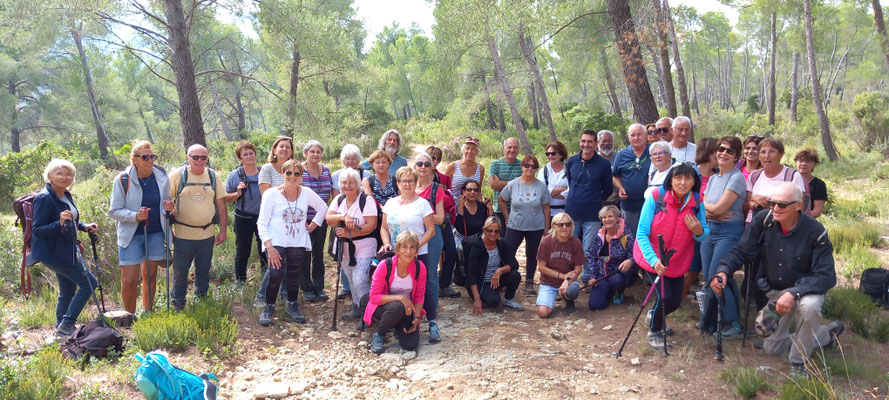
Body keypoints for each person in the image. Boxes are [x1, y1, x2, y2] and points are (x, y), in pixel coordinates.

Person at [711, 183, 843, 378]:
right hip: (775, 292)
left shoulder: (815, 231)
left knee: (810, 308)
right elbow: (742, 251)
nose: (774, 208)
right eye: (772, 203)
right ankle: (825, 334)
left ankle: (799, 362)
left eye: (782, 205)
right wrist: (723, 271)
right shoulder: (763, 221)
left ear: (798, 205)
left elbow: (826, 276)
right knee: (772, 349)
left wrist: (794, 293)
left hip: (805, 292)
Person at [634, 163, 709, 350]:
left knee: (675, 301)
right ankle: (655, 331)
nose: (682, 182)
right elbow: (642, 233)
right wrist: (653, 260)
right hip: (651, 257)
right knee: (665, 297)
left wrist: (698, 231)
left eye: (688, 178)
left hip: (677, 259)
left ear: (695, 181)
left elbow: (704, 233)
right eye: (678, 178)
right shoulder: (655, 197)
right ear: (671, 179)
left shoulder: (697, 203)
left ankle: (653, 315)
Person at [32, 159, 99, 337]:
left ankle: (60, 331)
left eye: (68, 174)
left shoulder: (65, 195)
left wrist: (83, 226)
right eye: (59, 173)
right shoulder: (44, 198)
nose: (64, 177)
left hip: (66, 251)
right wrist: (58, 222)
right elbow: (37, 230)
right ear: (50, 176)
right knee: (89, 284)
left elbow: (71, 219)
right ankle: (67, 324)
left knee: (68, 291)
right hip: (53, 253)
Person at [256, 160, 328, 326]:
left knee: (294, 275)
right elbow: (262, 222)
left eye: (297, 173)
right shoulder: (271, 194)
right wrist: (269, 246)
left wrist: (313, 225)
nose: (292, 177)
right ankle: (269, 307)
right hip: (276, 241)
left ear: (301, 176)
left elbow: (323, 207)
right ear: (283, 174)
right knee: (275, 274)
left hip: (297, 241)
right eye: (289, 173)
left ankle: (292, 305)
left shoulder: (306, 192)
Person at [744, 138, 808, 311]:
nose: (766, 156)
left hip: (780, 230)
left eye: (771, 151)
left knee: (771, 270)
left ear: (781, 155)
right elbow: (747, 203)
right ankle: (758, 311)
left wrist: (772, 202)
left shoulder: (791, 176)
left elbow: (801, 203)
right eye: (763, 152)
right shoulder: (754, 176)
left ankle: (775, 311)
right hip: (755, 228)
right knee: (754, 269)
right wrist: (754, 200)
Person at [109, 141, 171, 314]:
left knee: (150, 276)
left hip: (156, 233)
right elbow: (114, 210)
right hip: (131, 235)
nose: (150, 160)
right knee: (129, 280)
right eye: (145, 157)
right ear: (134, 159)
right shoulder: (123, 179)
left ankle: (147, 312)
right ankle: (129, 317)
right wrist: (135, 216)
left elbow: (165, 203)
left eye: (152, 156)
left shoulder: (161, 176)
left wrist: (168, 208)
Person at [163, 145, 227, 311]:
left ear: (207, 159)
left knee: (204, 269)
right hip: (183, 234)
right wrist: (167, 228)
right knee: (180, 271)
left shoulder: (213, 176)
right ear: (187, 157)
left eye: (203, 158)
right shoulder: (177, 176)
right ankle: (178, 303)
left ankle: (202, 299)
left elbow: (221, 205)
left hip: (207, 233)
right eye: (195, 157)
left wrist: (223, 230)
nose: (199, 161)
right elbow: (164, 203)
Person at [380, 167, 439, 342]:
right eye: (403, 181)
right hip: (396, 254)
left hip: (419, 253)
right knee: (395, 285)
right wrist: (386, 243)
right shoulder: (390, 203)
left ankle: (432, 322)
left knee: (424, 286)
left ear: (415, 183)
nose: (407, 184)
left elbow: (431, 230)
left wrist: (414, 248)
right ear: (397, 183)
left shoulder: (423, 204)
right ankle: (399, 320)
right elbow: (384, 228)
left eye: (411, 181)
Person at [699, 136, 747, 338]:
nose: (723, 153)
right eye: (721, 149)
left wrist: (711, 209)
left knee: (716, 276)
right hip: (711, 230)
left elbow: (717, 207)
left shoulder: (736, 178)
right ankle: (711, 320)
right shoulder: (713, 178)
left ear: (736, 156)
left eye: (729, 150)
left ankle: (733, 323)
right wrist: (712, 212)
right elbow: (704, 208)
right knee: (710, 276)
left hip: (729, 232)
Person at [326, 168, 377, 320]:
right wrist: (343, 216)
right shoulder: (339, 199)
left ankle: (368, 309)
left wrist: (351, 233)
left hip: (365, 245)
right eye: (343, 183)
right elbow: (329, 218)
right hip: (345, 248)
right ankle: (357, 306)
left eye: (351, 183)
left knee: (360, 279)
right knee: (350, 278)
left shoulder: (366, 200)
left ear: (358, 184)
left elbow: (371, 225)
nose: (347, 186)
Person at [365, 231, 427, 354]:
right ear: (397, 250)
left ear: (416, 251)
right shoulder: (385, 265)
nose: (408, 251)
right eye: (404, 247)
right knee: (397, 306)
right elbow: (373, 297)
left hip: (407, 311)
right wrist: (401, 298)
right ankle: (380, 335)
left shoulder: (420, 267)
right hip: (383, 307)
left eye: (412, 247)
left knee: (410, 345)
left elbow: (420, 296)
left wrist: (416, 318)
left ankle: (397, 328)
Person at [499, 155, 551, 294]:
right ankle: (505, 280)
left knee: (532, 254)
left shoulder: (540, 186)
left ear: (536, 169)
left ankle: (529, 281)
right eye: (527, 165)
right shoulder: (513, 184)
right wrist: (506, 216)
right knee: (508, 253)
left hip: (536, 226)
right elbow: (501, 199)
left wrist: (547, 226)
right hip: (515, 225)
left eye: (533, 166)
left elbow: (546, 207)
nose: (530, 168)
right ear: (522, 166)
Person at [413, 152, 447, 336]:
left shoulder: (436, 189)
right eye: (419, 163)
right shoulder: (408, 186)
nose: (423, 167)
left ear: (432, 167)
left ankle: (431, 315)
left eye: (427, 163)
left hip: (432, 236)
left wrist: (422, 213)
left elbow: (440, 218)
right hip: (411, 237)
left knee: (430, 275)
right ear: (415, 167)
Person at [223, 141, 266, 284]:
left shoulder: (264, 172)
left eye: (251, 153)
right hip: (243, 217)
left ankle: (267, 279)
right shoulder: (235, 175)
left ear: (255, 154)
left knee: (265, 249)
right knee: (243, 251)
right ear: (240, 158)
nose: (249, 156)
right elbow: (225, 198)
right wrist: (237, 193)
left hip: (263, 217)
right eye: (245, 154)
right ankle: (240, 282)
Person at [301, 140, 337, 302]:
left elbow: (330, 193)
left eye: (318, 152)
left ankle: (319, 287)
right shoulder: (299, 170)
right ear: (305, 153)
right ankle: (306, 288)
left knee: (318, 253)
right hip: (304, 220)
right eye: (312, 152)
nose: (315, 155)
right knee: (304, 254)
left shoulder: (326, 170)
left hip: (321, 218)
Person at [565, 130, 613, 253]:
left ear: (596, 143)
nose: (586, 144)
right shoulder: (571, 161)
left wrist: (597, 200)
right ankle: (571, 273)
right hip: (572, 211)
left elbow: (608, 189)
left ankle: (587, 273)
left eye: (590, 142)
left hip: (593, 214)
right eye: (583, 141)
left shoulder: (604, 164)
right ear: (580, 142)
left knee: (589, 250)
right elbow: (571, 182)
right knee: (570, 248)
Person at [464, 217, 524, 314]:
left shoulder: (502, 243)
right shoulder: (477, 245)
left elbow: (514, 264)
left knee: (515, 275)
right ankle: (483, 294)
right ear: (484, 230)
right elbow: (471, 273)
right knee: (493, 302)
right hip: (481, 281)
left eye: (496, 231)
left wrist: (499, 271)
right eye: (489, 231)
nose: (493, 234)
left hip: (496, 277)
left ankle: (509, 299)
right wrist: (477, 298)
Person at [585, 205, 635, 310]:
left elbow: (635, 253)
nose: (607, 219)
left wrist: (629, 260)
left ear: (617, 218)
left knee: (616, 281)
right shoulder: (599, 236)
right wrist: (592, 276)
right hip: (602, 275)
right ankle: (608, 292)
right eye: (604, 217)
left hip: (619, 274)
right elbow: (590, 255)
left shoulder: (626, 235)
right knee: (595, 306)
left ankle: (619, 291)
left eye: (610, 216)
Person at [426, 145, 460, 299]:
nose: (434, 161)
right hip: (425, 222)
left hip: (443, 219)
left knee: (451, 252)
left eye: (437, 159)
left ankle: (444, 284)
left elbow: (448, 198)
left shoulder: (444, 179)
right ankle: (431, 287)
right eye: (431, 157)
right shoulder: (416, 179)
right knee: (431, 255)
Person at [535, 212, 585, 317]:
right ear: (554, 226)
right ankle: (551, 298)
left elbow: (578, 269)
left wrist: (567, 280)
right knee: (542, 313)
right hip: (548, 282)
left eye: (568, 224)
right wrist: (562, 276)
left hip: (569, 282)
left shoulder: (576, 242)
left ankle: (568, 298)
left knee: (572, 291)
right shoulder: (546, 241)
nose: (564, 227)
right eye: (560, 224)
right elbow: (542, 267)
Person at [331, 144, 364, 299]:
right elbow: (338, 197)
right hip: (342, 216)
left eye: (354, 158)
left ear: (358, 160)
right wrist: (343, 216)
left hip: (361, 216)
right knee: (343, 251)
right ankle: (346, 286)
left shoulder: (366, 173)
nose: (351, 161)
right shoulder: (337, 175)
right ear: (343, 160)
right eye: (347, 158)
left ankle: (362, 291)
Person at [612, 123, 650, 234]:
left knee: (650, 238)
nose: (636, 138)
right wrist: (620, 188)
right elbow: (615, 176)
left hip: (651, 206)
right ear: (628, 137)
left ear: (646, 135)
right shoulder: (622, 154)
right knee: (630, 239)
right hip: (629, 207)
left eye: (639, 134)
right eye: (632, 135)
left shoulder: (654, 151)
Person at [488, 137, 522, 237]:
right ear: (503, 148)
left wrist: (501, 183)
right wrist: (516, 183)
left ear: (518, 149)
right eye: (509, 147)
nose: (512, 150)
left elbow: (525, 186)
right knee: (499, 240)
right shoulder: (495, 164)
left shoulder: (523, 165)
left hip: (518, 210)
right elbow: (493, 185)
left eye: (515, 147)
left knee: (513, 243)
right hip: (500, 210)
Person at [537, 141, 569, 223]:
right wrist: (562, 189)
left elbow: (572, 192)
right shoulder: (543, 172)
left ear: (561, 154)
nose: (550, 156)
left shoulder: (570, 170)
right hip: (547, 215)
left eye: (553, 153)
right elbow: (541, 192)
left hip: (567, 214)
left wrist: (551, 192)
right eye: (548, 154)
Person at [446, 137, 485, 202]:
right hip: (453, 205)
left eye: (473, 149)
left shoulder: (481, 169)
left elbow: (478, 190)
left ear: (477, 152)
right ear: (463, 150)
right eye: (467, 148)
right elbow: (444, 188)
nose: (469, 151)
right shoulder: (452, 166)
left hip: (471, 206)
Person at [454, 179, 492, 244]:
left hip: (480, 240)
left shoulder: (482, 206)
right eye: (469, 189)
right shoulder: (458, 206)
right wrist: (460, 209)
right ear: (464, 192)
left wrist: (490, 208)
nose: (472, 192)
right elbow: (459, 229)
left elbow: (492, 224)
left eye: (475, 190)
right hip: (463, 240)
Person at [794, 149, 827, 218]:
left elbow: (817, 211)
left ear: (814, 164)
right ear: (796, 162)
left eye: (808, 161)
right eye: (801, 160)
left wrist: (797, 218)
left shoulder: (819, 185)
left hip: (807, 222)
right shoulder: (789, 180)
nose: (803, 164)